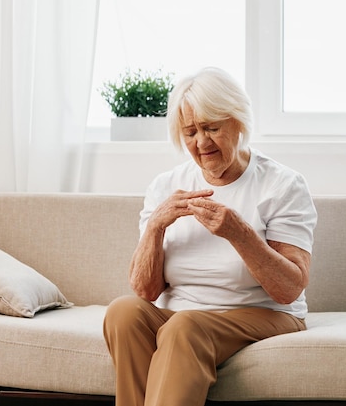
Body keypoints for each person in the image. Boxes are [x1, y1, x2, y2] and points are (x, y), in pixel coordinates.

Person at [103, 67, 317, 406]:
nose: (201, 143)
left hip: (262, 314)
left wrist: (239, 233)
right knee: (124, 312)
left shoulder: (281, 185)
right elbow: (145, 290)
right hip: (183, 317)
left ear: (238, 122)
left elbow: (289, 288)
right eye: (190, 133)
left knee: (184, 327)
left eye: (211, 128)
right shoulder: (165, 186)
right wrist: (156, 226)